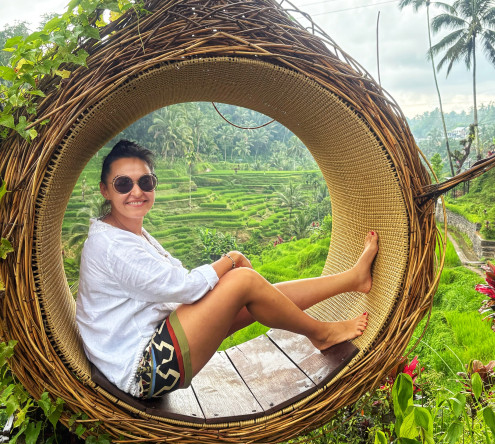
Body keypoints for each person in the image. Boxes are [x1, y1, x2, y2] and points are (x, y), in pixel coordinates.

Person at [76, 140, 378, 400]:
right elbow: (188, 287)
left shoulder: (127, 232)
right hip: (144, 369)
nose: (136, 191)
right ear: (106, 190)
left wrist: (224, 278)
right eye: (123, 184)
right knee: (242, 280)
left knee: (255, 292)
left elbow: (179, 286)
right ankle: (322, 333)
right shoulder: (113, 246)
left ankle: (354, 278)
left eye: (145, 182)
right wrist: (230, 259)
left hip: (158, 339)